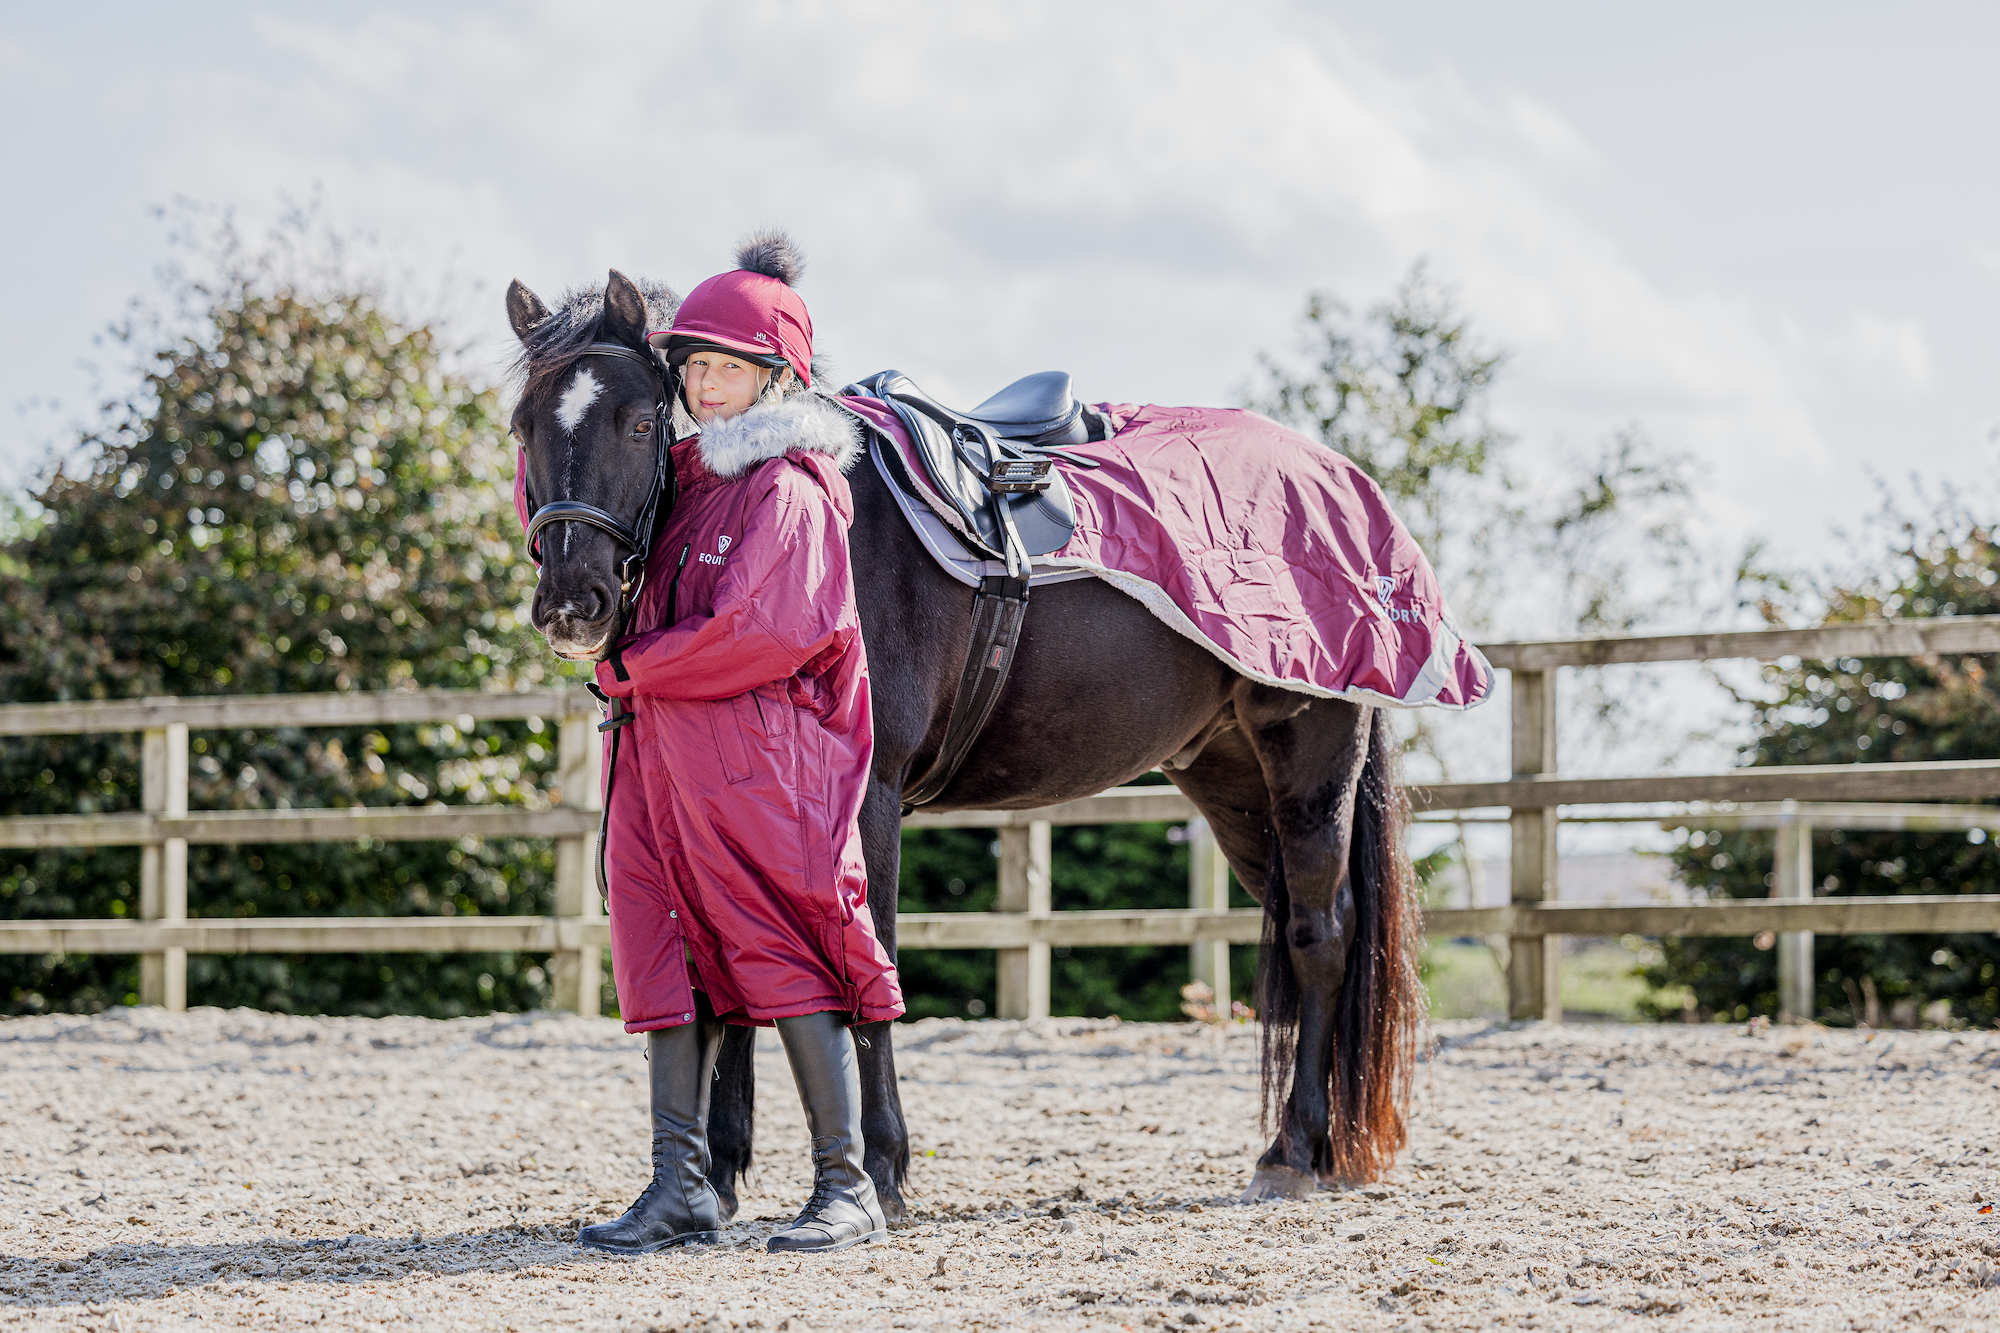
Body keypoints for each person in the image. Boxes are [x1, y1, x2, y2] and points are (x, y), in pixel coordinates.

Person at [577, 232, 903, 1257]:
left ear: (777, 378)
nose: (706, 386)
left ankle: (845, 1184)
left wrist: (632, 672)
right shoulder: (682, 483)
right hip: (661, 762)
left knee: (787, 945)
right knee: (663, 949)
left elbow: (762, 633)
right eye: (696, 367)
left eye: (727, 368)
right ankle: (680, 1184)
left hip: (761, 767)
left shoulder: (788, 490)